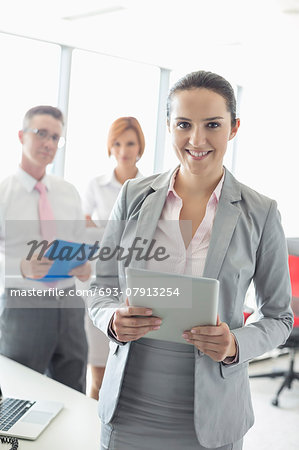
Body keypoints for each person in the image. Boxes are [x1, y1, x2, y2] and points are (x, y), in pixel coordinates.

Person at [88, 71, 293, 449]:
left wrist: (235, 344)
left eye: (212, 124)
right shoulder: (134, 195)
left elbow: (279, 316)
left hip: (212, 416)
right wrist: (111, 320)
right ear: (168, 126)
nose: (197, 140)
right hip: (129, 407)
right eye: (184, 124)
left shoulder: (261, 212)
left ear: (233, 128)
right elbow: (100, 288)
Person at [0, 105, 90, 393]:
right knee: (20, 394)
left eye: (55, 137)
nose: (49, 143)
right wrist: (21, 267)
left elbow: (81, 243)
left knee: (73, 390)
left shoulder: (68, 192)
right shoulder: (3, 193)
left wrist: (87, 267)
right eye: (41, 134)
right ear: (21, 135)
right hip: (23, 305)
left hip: (70, 304)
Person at [83, 117, 144, 399]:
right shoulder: (96, 185)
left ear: (139, 146)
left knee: (131, 377)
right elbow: (83, 228)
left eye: (130, 143)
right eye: (117, 143)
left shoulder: (149, 188)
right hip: (102, 283)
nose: (123, 150)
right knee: (99, 374)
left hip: (134, 286)